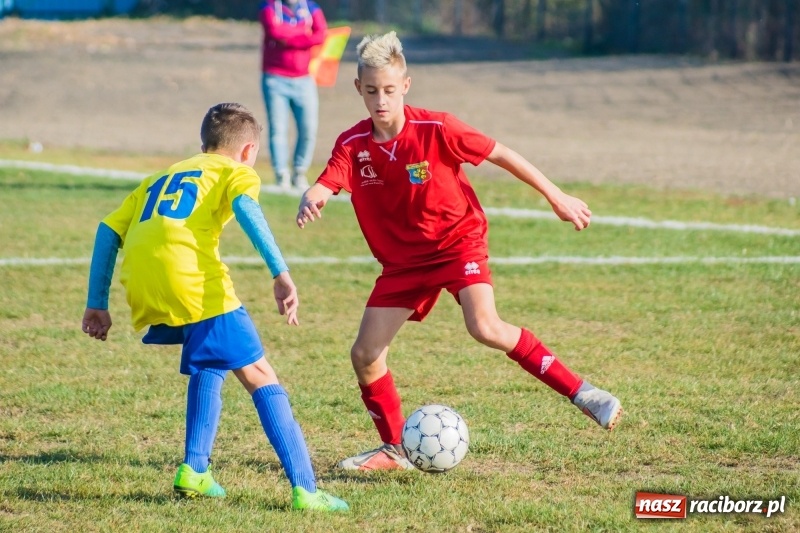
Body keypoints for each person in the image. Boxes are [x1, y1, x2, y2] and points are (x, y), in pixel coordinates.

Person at [295, 32, 623, 471]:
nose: (381, 100)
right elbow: (328, 180)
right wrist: (312, 195)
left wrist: (556, 196)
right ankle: (396, 450)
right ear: (358, 88)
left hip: (456, 243)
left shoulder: (438, 127)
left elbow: (501, 154)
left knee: (484, 326)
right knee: (365, 355)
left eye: (389, 90)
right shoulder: (354, 145)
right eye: (371, 91)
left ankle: (585, 394)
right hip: (404, 264)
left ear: (406, 85)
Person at [81, 103, 348, 511]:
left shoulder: (162, 175)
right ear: (248, 151)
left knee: (210, 362)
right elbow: (246, 209)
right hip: (195, 283)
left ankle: (195, 470)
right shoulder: (237, 171)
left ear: (203, 144)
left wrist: (96, 303)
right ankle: (307, 490)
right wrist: (280, 271)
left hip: (146, 283)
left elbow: (107, 230)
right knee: (261, 375)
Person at [259, 0, 327, 190]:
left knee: (308, 129)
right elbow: (274, 32)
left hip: (304, 79)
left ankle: (300, 171)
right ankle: (282, 175)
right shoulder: (269, 7)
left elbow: (321, 34)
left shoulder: (311, 8)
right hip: (275, 78)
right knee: (278, 129)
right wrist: (304, 35)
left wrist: (290, 39)